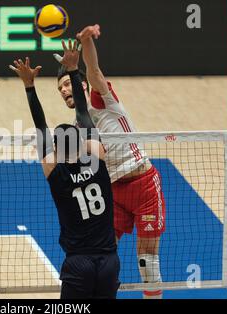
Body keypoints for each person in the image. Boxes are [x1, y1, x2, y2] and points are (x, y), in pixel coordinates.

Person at [54, 25, 166, 299]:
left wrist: (86, 41)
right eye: (60, 89)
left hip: (143, 184)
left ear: (81, 84)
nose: (64, 90)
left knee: (147, 261)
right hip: (112, 193)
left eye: (67, 84)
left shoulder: (99, 99)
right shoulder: (76, 126)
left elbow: (94, 70)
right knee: (103, 254)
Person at [9, 40, 120, 299]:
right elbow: (83, 112)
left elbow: (40, 128)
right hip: (108, 262)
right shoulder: (98, 162)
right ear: (83, 144)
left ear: (57, 150)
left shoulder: (57, 175)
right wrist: (73, 69)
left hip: (78, 264)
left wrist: (29, 86)